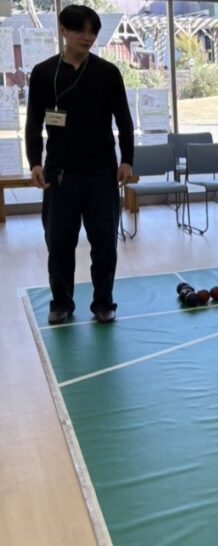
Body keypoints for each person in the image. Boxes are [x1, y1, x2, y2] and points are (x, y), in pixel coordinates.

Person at [25, 4, 134, 325]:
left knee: (105, 243)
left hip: (102, 172)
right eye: (79, 30)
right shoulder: (43, 73)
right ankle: (61, 303)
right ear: (63, 29)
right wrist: (34, 161)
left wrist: (127, 159)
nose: (87, 37)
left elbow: (124, 120)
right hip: (59, 174)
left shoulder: (108, 72)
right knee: (59, 242)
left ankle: (103, 302)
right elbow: (33, 122)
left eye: (92, 32)